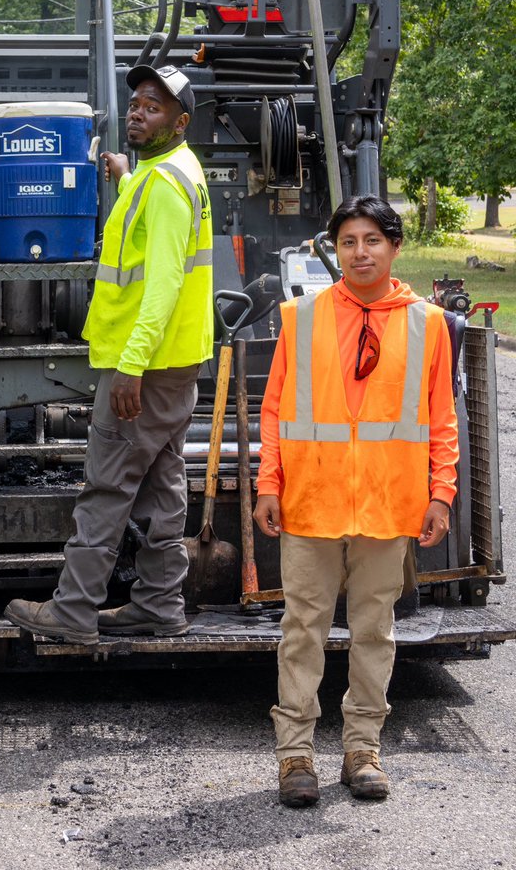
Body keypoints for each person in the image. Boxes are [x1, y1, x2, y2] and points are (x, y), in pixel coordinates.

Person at [254, 194, 458, 807]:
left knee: (375, 631)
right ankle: (295, 759)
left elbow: (441, 418)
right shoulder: (302, 317)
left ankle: (363, 751)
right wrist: (269, 483)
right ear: (334, 249)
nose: (360, 252)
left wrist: (441, 494)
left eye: (372, 240)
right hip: (311, 503)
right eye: (348, 241)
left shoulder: (427, 324)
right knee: (302, 632)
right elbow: (274, 408)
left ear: (394, 248)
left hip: (387, 504)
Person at [4, 63, 213, 643]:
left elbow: (164, 283)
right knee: (161, 486)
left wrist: (130, 365)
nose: (139, 111)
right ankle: (158, 604)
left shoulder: (166, 185)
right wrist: (125, 176)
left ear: (181, 121)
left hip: (146, 365)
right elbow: (151, 227)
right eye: (137, 102)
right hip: (176, 364)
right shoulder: (172, 172)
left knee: (107, 486)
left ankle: (73, 611)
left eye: (155, 106)